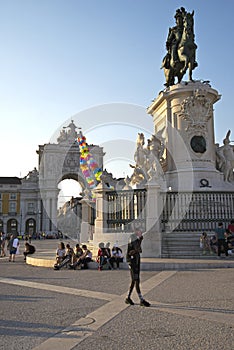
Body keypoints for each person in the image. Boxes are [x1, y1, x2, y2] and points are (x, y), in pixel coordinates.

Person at [125, 228, 150, 307]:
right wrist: (140, 241)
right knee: (136, 280)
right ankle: (141, 299)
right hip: (132, 262)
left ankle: (128, 298)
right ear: (136, 232)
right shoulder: (132, 238)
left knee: (134, 280)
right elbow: (134, 250)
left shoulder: (136, 239)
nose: (141, 233)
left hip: (136, 261)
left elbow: (139, 250)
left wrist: (140, 241)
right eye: (140, 232)